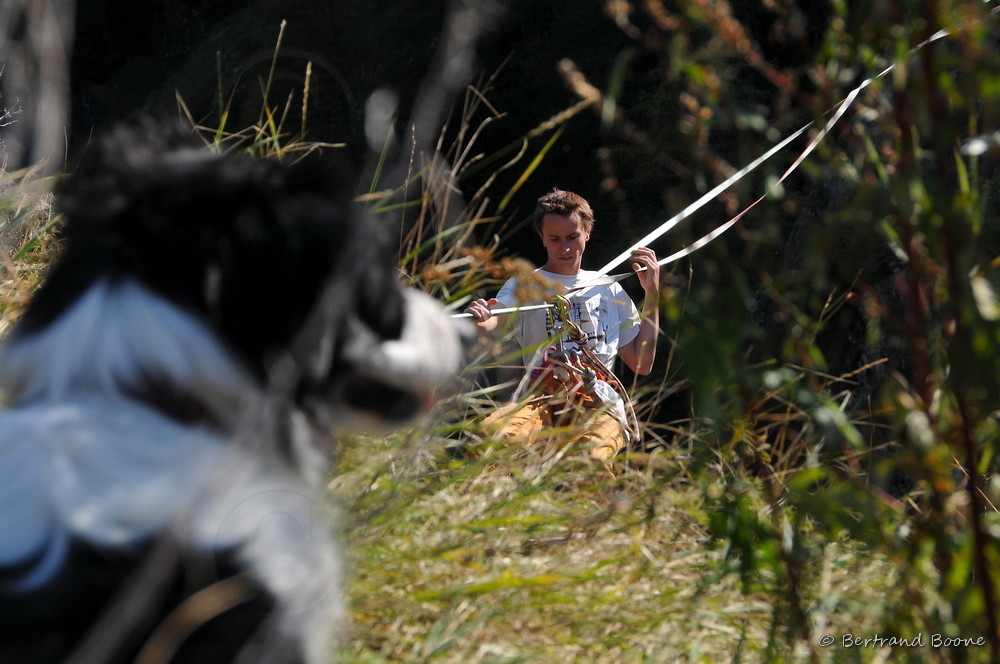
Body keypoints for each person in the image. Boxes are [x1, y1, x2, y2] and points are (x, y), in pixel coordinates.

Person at [465, 189, 660, 463]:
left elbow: (641, 363)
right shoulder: (525, 285)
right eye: (555, 239)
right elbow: (494, 321)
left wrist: (652, 294)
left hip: (598, 402)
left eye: (572, 237)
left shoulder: (609, 289)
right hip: (541, 398)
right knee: (495, 439)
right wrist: (481, 317)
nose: (565, 248)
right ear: (542, 237)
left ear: (588, 231)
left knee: (591, 461)